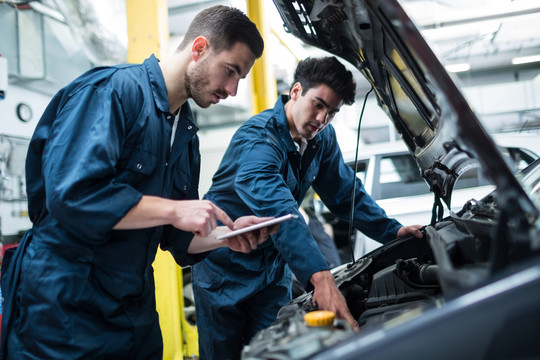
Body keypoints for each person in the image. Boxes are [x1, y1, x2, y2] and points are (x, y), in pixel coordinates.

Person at [0, 5, 273, 360]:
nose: (233, 90)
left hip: (131, 310)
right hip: (63, 306)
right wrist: (175, 210)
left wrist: (226, 236)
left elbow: (176, 239)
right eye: (230, 71)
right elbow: (72, 195)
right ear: (199, 48)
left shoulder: (185, 135)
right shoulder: (113, 91)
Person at [192, 56, 424, 360]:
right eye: (318, 104)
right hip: (225, 272)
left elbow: (345, 193)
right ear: (297, 91)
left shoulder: (320, 139)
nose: (322, 118)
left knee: (277, 352)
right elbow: (279, 209)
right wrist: (320, 277)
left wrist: (391, 230)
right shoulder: (259, 140)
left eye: (332, 112)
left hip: (271, 271)